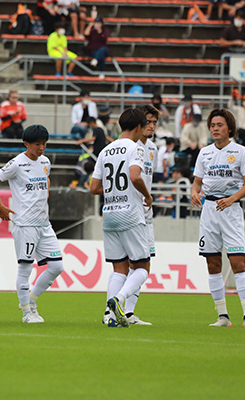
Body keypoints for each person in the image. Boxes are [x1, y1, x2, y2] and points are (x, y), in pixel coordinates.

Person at [190, 108, 245, 328]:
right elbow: (197, 182)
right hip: (209, 211)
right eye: (212, 125)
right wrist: (194, 192)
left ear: (229, 128)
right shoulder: (204, 152)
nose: (215, 129)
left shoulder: (240, 152)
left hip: (231, 211)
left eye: (219, 125)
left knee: (238, 262)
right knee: (212, 263)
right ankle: (222, 316)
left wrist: (232, 199)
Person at [0, 125, 64, 323]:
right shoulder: (17, 164)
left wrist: (44, 193)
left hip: (44, 224)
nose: (41, 148)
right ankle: (27, 313)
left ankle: (31, 299)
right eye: (37, 144)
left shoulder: (45, 162)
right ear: (26, 144)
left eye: (44, 144)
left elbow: (45, 179)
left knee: (56, 266)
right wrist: (1, 207)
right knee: (25, 269)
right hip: (25, 225)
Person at [90, 108, 152, 328]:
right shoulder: (136, 148)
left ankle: (109, 314)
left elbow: (94, 187)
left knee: (119, 268)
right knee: (142, 267)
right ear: (139, 127)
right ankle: (119, 300)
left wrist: (114, 192)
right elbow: (135, 176)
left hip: (110, 214)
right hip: (130, 214)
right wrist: (147, 195)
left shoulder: (106, 150)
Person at [124, 105, 158, 325]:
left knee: (144, 265)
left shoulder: (153, 148)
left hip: (147, 214)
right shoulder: (130, 146)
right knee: (132, 264)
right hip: (130, 212)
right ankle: (120, 308)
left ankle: (128, 312)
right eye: (148, 121)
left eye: (154, 122)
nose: (151, 126)